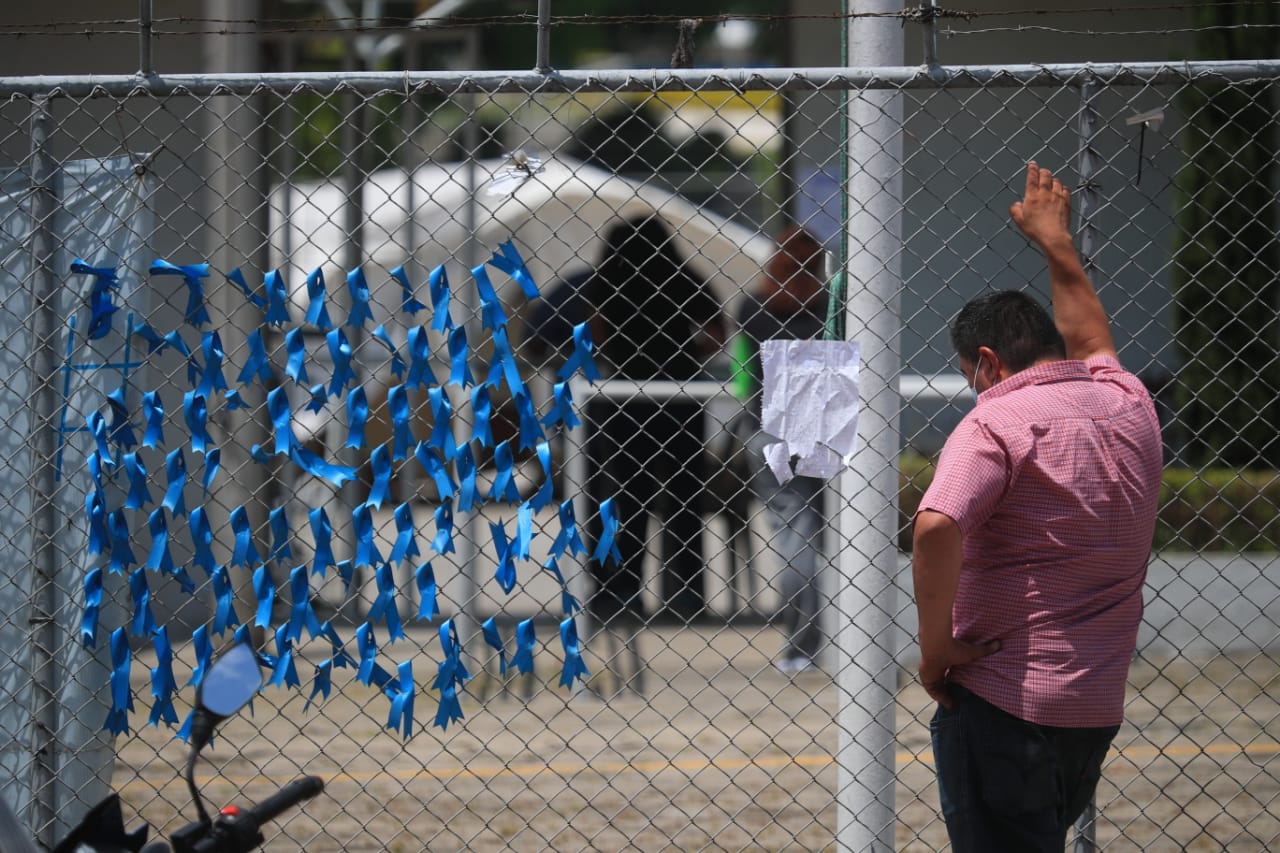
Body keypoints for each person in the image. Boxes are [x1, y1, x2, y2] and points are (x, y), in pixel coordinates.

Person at [912, 162, 1164, 851]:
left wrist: (936, 652)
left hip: (1002, 697)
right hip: (1092, 703)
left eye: (971, 378)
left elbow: (936, 525)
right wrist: (1056, 242)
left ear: (988, 361)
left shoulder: (996, 421)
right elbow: (1092, 336)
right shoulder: (1128, 401)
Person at [586, 214, 725, 622]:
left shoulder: (608, 279)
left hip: (625, 396)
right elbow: (717, 332)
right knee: (684, 496)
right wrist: (685, 355)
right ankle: (685, 593)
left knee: (624, 497)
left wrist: (621, 355)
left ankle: (618, 591)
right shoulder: (684, 276)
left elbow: (595, 332)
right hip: (680, 394)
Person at [730, 225, 829, 673]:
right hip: (826, 423)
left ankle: (802, 644)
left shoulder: (755, 307)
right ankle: (836, 636)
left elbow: (744, 371)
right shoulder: (830, 306)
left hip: (769, 425)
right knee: (832, 530)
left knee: (793, 531)